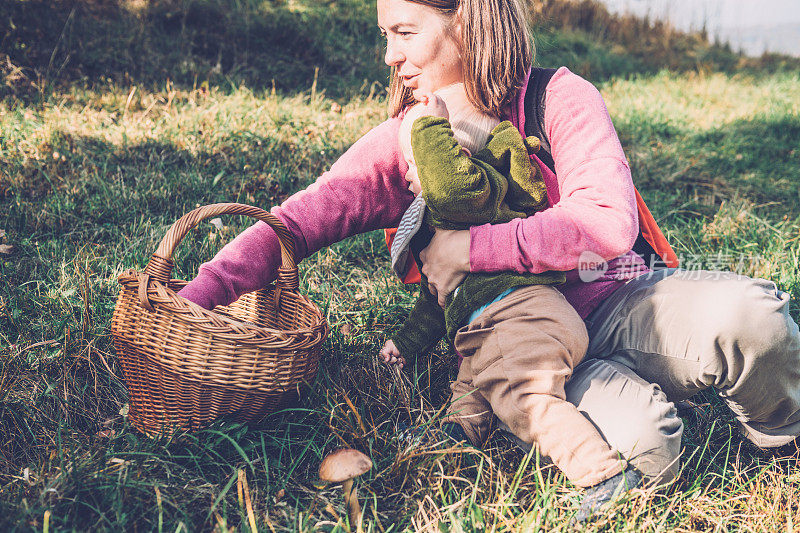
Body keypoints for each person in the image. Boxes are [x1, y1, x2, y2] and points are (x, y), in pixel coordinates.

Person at [176, 0, 800, 520]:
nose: (388, 56)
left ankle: (779, 441)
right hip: (527, 341)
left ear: (467, 22)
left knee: (754, 318)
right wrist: (188, 303)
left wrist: (471, 249)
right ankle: (657, 405)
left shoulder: (557, 97)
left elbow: (607, 222)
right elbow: (294, 223)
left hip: (622, 302)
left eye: (403, 33)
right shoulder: (408, 140)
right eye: (383, 36)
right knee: (648, 447)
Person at [381, 86, 638, 493]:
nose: (408, 173)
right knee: (472, 382)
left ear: (456, 158)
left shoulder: (473, 198)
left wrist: (431, 127)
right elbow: (436, 300)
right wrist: (406, 343)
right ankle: (455, 438)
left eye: (415, 160)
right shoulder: (449, 224)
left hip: (516, 316)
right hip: (515, 319)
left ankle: (603, 475)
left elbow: (448, 186)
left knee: (524, 400)